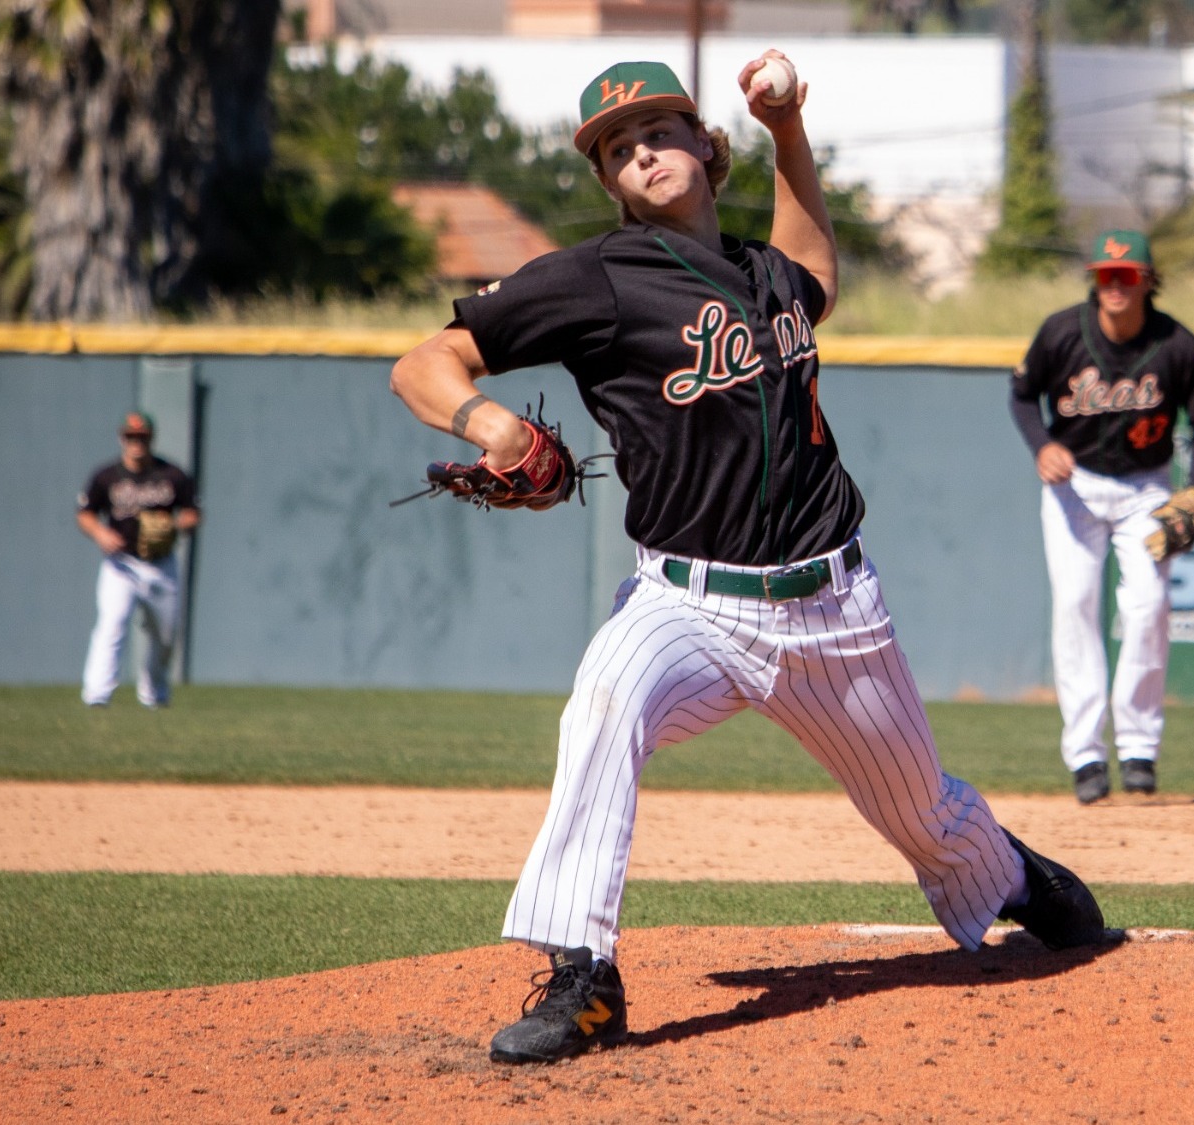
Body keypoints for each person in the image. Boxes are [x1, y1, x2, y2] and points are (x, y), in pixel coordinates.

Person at [389, 54, 1115, 1067]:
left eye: (655, 129)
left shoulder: (764, 274)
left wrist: (788, 131)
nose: (637, 149)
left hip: (834, 609)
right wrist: (486, 423)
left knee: (921, 814)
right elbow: (422, 362)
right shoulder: (594, 277)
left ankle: (1010, 876)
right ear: (606, 183)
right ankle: (581, 979)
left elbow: (814, 269)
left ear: (702, 145)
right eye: (614, 147)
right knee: (602, 704)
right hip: (686, 605)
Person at [1009, 230, 1194, 804]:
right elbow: (1023, 394)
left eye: (1127, 275)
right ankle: (1085, 755)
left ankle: (1138, 747)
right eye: (1106, 274)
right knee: (1076, 603)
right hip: (1075, 485)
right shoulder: (1061, 332)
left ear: (1149, 280)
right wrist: (1041, 446)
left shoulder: (1177, 344)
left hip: (1145, 489)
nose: (1116, 285)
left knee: (1150, 605)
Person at [76, 411, 200, 708]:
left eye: (142, 437)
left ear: (151, 439)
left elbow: (192, 513)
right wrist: (100, 534)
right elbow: (86, 513)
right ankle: (97, 695)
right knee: (112, 624)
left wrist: (175, 526)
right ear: (122, 438)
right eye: (131, 437)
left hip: (161, 565)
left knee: (166, 637)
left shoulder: (172, 475)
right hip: (121, 565)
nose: (136, 443)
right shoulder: (106, 476)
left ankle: (154, 694)